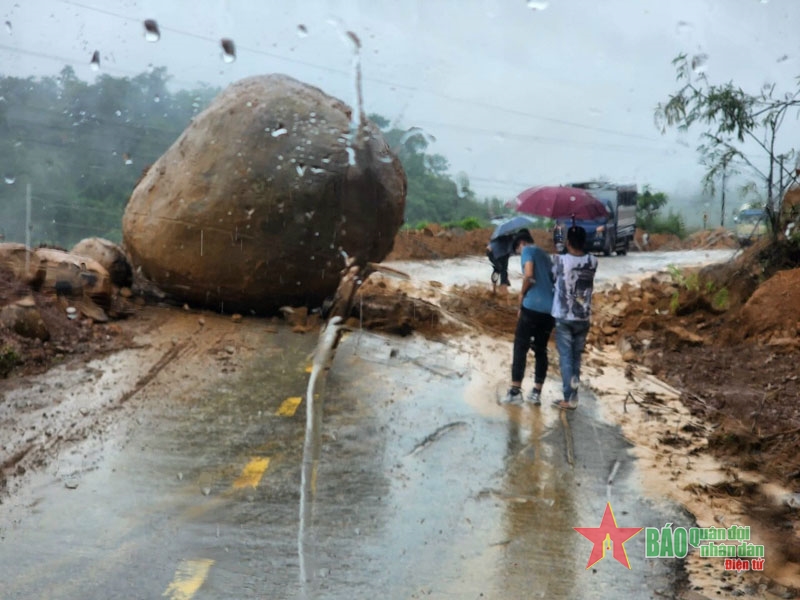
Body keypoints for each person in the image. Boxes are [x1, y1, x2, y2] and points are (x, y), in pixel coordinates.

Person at [502, 229, 555, 405]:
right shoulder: (546, 256)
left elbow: (530, 276)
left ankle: (515, 392)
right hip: (550, 311)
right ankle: (536, 393)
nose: (518, 253)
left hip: (532, 307)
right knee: (540, 350)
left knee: (520, 346)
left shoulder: (528, 251)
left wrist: (522, 294)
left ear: (521, 244)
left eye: (517, 249)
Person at [550, 225, 598, 410]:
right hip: (583, 316)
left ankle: (568, 398)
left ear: (568, 242)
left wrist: (558, 234)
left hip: (564, 315)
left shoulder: (559, 260)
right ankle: (574, 396)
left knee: (566, 358)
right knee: (576, 356)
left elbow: (553, 275)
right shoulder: (593, 261)